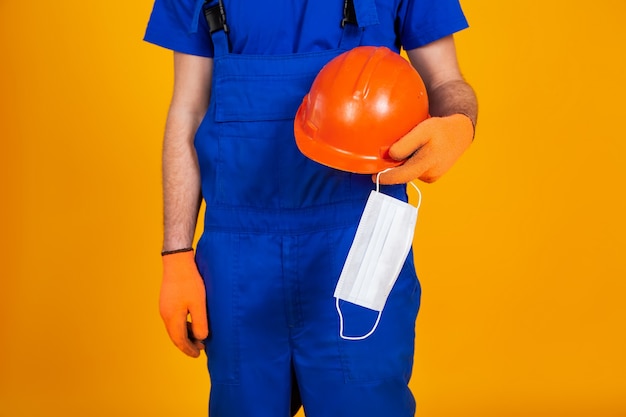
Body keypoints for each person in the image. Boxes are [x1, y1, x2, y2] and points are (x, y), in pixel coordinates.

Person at [144, 0, 477, 416]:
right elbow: (187, 109)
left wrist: (460, 122)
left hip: (358, 240)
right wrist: (176, 254)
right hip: (238, 261)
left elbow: (445, 81)